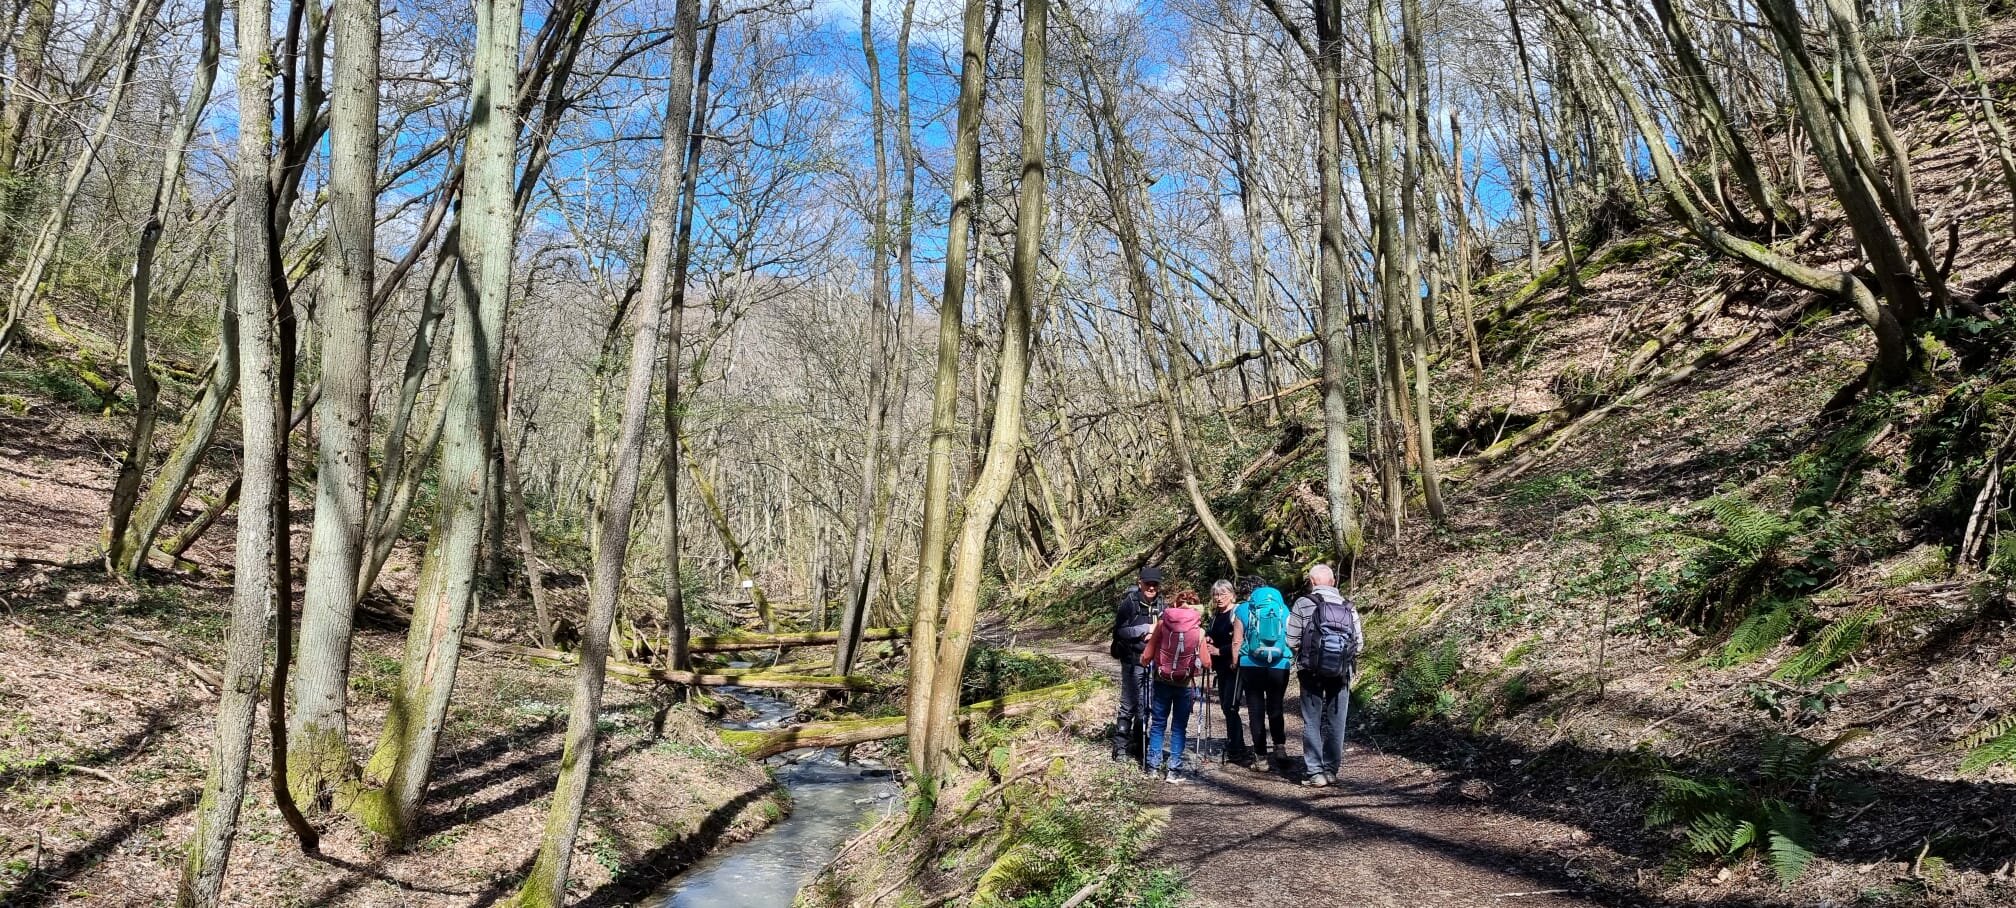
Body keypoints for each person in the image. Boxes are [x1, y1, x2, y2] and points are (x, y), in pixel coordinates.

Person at [1288, 564, 1362, 788]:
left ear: (1311, 582)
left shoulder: (1303, 603)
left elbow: (1290, 640)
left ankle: (1315, 772)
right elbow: (1358, 644)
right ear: (1333, 582)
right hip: (1341, 672)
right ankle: (1331, 770)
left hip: (1310, 671)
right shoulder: (1348, 606)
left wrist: (1306, 649)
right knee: (1336, 721)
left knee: (1311, 720)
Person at [1140, 588, 1205, 783]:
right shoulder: (1199, 630)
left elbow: (1147, 655)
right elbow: (1207, 662)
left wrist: (1146, 662)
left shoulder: (1162, 624)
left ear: (1174, 605)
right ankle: (1174, 770)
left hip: (1161, 681)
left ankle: (1152, 767)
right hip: (1184, 684)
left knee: (1158, 723)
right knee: (1178, 727)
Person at [1235, 577, 1292, 772]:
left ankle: (1260, 758)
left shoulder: (1243, 609)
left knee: (1255, 710)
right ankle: (1280, 748)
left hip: (1251, 664)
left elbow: (1237, 641)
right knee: (1276, 706)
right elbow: (1291, 637)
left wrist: (1234, 663)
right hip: (1280, 664)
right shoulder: (1283, 608)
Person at [1109, 565, 1164, 766]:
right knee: (1129, 703)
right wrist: (1144, 629)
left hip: (1153, 661)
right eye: (1148, 584)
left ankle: (1140, 743)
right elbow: (1119, 632)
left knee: (1147, 704)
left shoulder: (1161, 604)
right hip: (1132, 660)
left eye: (1155, 584)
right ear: (1140, 583)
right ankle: (1120, 747)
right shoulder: (1129, 603)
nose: (1151, 587)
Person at [1204, 579, 1246, 765]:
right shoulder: (1215, 616)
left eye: (1223, 594)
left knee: (1230, 706)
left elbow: (1241, 640)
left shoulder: (1236, 613)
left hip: (1234, 666)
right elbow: (1214, 636)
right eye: (1216, 594)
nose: (1219, 598)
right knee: (1226, 706)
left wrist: (1220, 651)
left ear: (1232, 594)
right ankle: (1235, 744)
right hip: (1221, 668)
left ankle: (1237, 748)